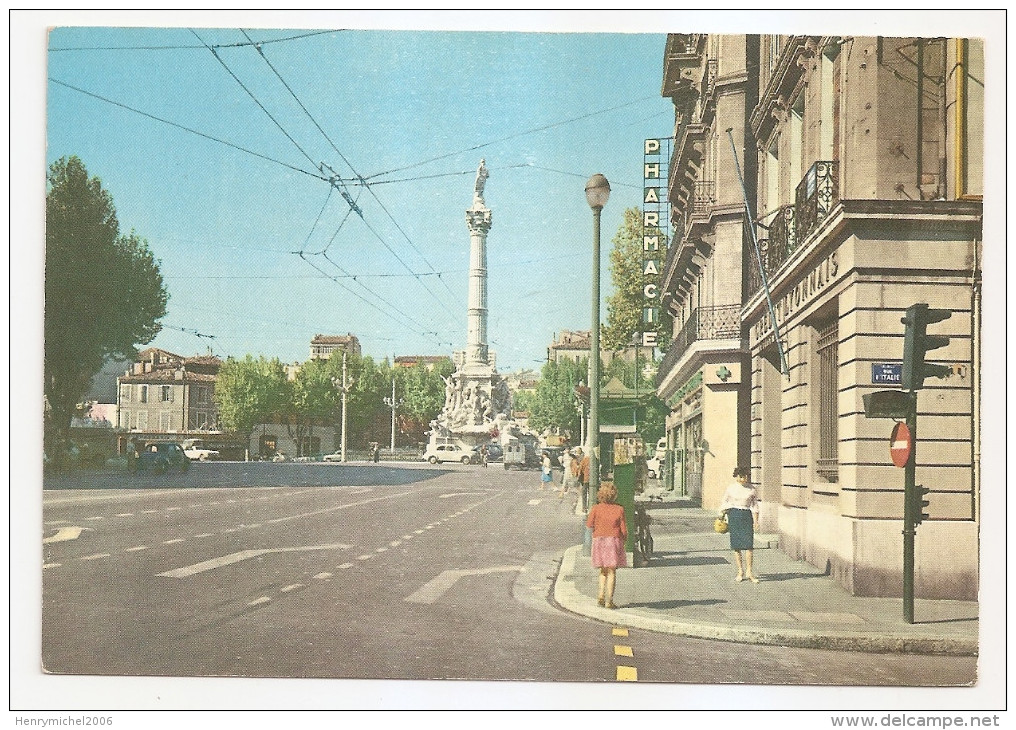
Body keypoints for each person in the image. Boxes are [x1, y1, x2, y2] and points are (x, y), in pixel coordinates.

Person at [586, 481, 627, 608]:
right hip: (613, 542)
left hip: (599, 541)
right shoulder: (619, 509)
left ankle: (600, 596)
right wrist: (623, 540)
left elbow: (589, 524)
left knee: (603, 571)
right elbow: (624, 530)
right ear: (614, 495)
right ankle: (609, 601)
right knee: (612, 572)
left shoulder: (596, 508)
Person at [719, 466, 761, 583]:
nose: (744, 478)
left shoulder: (752, 489)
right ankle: (740, 571)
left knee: (749, 545)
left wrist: (756, 521)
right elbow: (724, 502)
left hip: (746, 515)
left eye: (746, 476)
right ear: (737, 477)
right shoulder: (731, 488)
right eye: (742, 476)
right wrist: (723, 514)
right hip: (734, 515)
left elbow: (755, 506)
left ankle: (749, 572)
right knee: (736, 545)